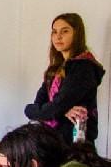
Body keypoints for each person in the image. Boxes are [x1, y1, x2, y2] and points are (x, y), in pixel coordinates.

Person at [24, 13, 104, 145]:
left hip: (74, 143)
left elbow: (56, 106)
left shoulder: (83, 67)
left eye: (65, 31)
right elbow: (38, 105)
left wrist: (51, 110)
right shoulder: (55, 70)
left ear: (77, 34)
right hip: (51, 139)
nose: (58, 36)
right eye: (54, 32)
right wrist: (60, 111)